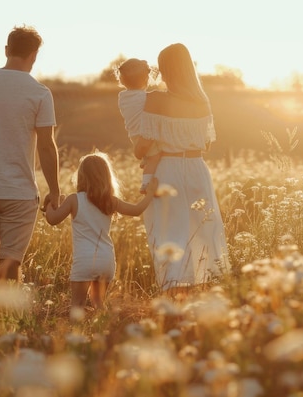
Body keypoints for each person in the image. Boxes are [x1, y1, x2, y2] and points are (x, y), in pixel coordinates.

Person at [0, 25, 60, 284]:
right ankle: (3, 318)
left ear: (7, 50)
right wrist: (55, 190)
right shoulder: (40, 93)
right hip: (19, 193)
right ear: (35, 55)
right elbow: (47, 145)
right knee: (10, 264)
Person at [134, 43, 230, 296]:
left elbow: (142, 146)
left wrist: (145, 149)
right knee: (202, 232)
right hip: (198, 168)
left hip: (169, 169)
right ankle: (204, 292)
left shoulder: (155, 100)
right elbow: (207, 145)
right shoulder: (202, 103)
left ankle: (173, 294)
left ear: (165, 70)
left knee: (169, 232)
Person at [45, 152, 158, 310]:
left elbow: (52, 219)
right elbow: (136, 210)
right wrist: (150, 193)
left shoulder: (74, 199)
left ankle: (77, 334)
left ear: (81, 176)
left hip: (84, 260)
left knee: (77, 305)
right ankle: (102, 331)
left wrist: (49, 204)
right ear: (106, 176)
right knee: (98, 303)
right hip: (105, 260)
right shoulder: (110, 201)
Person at [116, 58, 161, 193]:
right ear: (146, 79)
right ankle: (146, 184)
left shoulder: (122, 97)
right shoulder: (147, 98)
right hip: (144, 134)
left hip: (134, 134)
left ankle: (145, 159)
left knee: (149, 156)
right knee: (155, 158)